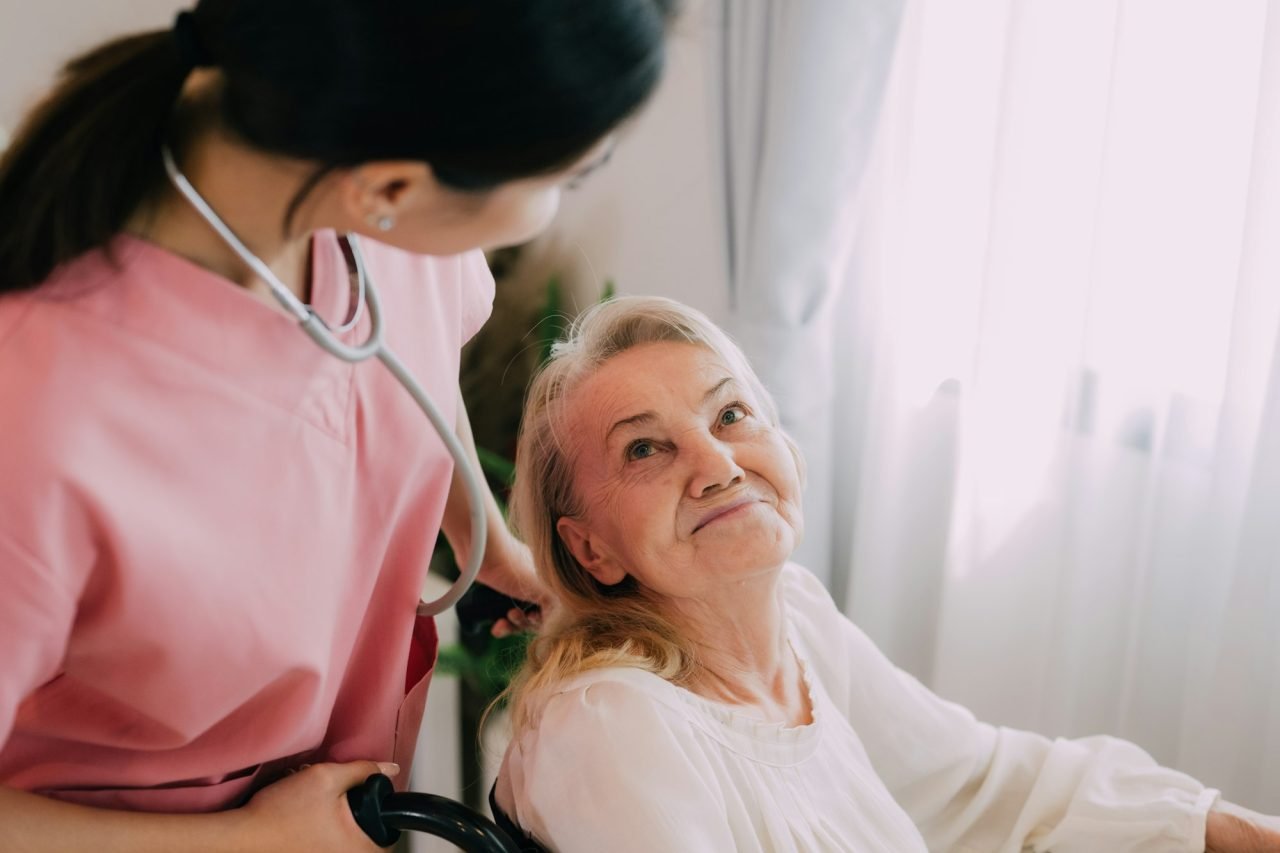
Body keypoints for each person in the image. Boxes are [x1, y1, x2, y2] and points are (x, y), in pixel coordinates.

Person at [0, 1, 675, 850]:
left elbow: (400, 370)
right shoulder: (34, 416)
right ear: (391, 185)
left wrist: (485, 537)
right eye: (566, 176)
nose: (576, 184)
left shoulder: (384, 222)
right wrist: (250, 842)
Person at [494, 295, 1280, 853]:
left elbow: (986, 785)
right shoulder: (610, 723)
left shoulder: (797, 623)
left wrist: (1242, 831)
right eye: (644, 449)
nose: (718, 464)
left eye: (730, 414)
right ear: (591, 550)